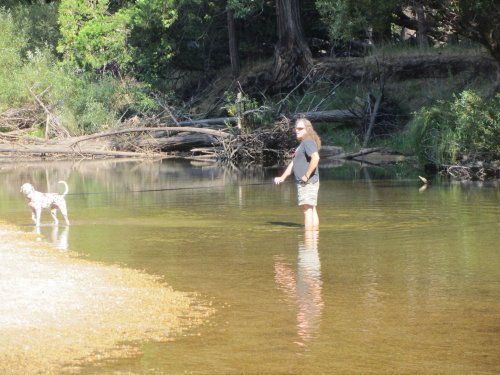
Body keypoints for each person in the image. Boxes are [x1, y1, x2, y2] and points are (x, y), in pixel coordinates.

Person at [274, 118, 321, 229]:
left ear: (307, 130)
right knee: (311, 208)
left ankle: (308, 240)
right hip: (308, 182)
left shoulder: (308, 142)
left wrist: (306, 175)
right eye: (296, 128)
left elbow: (316, 158)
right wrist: (283, 177)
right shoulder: (303, 144)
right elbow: (293, 163)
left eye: (300, 128)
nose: (297, 130)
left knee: (307, 210)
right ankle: (313, 242)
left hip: (308, 182)